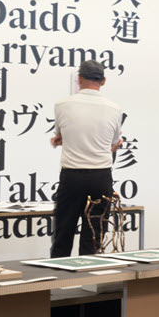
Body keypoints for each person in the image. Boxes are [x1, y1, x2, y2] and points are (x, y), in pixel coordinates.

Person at [50, 60, 123, 257]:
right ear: (103, 81)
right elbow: (114, 142)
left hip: (72, 176)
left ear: (79, 78)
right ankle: (89, 274)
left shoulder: (62, 105)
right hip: (101, 177)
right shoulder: (114, 108)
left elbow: (60, 136)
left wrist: (61, 140)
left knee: (63, 232)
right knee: (94, 234)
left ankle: (57, 274)